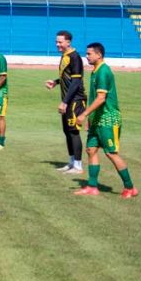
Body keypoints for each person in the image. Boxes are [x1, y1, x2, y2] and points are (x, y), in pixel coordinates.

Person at [73, 43, 138, 199]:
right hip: (98, 119)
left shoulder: (103, 72)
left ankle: (130, 187)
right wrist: (91, 118)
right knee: (91, 149)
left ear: (99, 55)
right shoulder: (95, 71)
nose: (86, 56)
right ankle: (92, 186)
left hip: (108, 118)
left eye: (89, 54)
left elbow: (101, 98)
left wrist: (83, 115)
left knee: (111, 153)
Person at [44, 30, 86, 174]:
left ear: (68, 42)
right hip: (68, 100)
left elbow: (76, 81)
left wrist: (65, 102)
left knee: (73, 131)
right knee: (67, 131)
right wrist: (56, 82)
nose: (57, 44)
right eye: (56, 42)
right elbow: (67, 77)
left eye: (60, 42)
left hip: (75, 100)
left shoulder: (75, 57)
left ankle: (78, 166)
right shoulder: (65, 56)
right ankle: (71, 162)